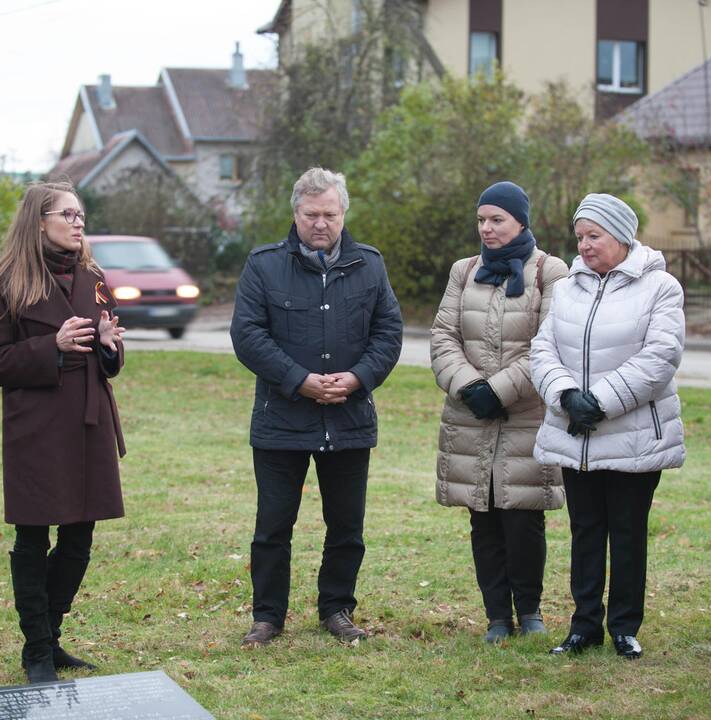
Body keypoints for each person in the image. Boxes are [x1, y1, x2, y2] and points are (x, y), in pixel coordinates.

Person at [230, 167, 403, 647]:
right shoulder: (263, 265)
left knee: (347, 525)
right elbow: (247, 335)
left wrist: (359, 377)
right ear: (296, 213)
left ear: (343, 213)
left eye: (330, 214)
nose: (320, 223)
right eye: (311, 215)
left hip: (349, 418)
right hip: (281, 420)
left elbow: (388, 333)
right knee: (272, 526)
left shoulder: (370, 265)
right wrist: (299, 381)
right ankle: (267, 617)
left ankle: (337, 609)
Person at [0, 181, 126, 683]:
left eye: (82, 215)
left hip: (88, 421)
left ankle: (50, 634)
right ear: (40, 221)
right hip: (37, 427)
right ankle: (37, 649)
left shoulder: (94, 276)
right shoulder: (8, 281)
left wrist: (107, 346)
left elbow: (112, 355)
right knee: (33, 536)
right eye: (68, 214)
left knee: (80, 536)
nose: (79, 222)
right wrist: (52, 347)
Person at [530, 193, 685, 660]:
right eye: (580, 237)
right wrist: (565, 396)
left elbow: (660, 356)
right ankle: (584, 627)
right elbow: (543, 349)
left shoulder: (661, 287)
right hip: (577, 434)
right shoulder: (569, 286)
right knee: (586, 532)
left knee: (627, 532)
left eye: (594, 236)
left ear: (621, 236)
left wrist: (599, 401)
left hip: (633, 435)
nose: (585, 245)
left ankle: (624, 627)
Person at [430, 181, 569, 644]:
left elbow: (551, 343)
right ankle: (496, 616)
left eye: (497, 220)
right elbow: (443, 336)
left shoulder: (551, 271)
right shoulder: (463, 271)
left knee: (523, 516)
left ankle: (529, 610)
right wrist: (470, 385)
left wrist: (501, 389)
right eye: (481, 220)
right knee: (482, 516)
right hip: (470, 413)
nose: (486, 229)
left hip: (526, 416)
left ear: (521, 222)